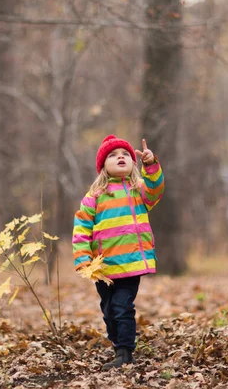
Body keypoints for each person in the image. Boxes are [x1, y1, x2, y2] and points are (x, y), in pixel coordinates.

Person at [72, 134, 164, 370]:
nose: (120, 157)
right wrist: (83, 258)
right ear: (103, 166)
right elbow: (81, 228)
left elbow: (155, 190)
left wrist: (151, 165)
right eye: (113, 155)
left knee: (123, 307)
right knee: (109, 310)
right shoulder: (94, 196)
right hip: (103, 267)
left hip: (131, 262)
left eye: (124, 154)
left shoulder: (139, 191)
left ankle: (125, 352)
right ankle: (117, 346)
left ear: (133, 162)